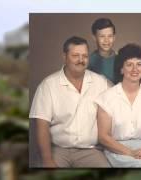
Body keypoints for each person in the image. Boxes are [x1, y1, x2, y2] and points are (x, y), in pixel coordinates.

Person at [29, 36, 111, 168]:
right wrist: (48, 160)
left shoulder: (100, 82)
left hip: (90, 151)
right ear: (64, 57)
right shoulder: (48, 85)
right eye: (75, 56)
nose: (81, 60)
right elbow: (42, 126)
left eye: (84, 56)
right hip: (58, 150)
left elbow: (119, 101)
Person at [95, 43, 141, 167]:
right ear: (121, 69)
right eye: (129, 64)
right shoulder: (106, 98)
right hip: (118, 151)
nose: (135, 69)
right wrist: (131, 153)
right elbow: (103, 137)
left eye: (139, 64)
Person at [88, 18, 117, 84]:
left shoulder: (121, 60)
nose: (106, 40)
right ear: (94, 38)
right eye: (102, 36)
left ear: (114, 37)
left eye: (110, 36)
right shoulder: (88, 62)